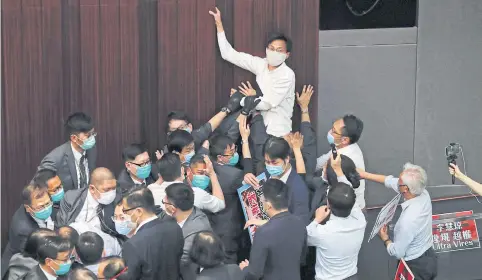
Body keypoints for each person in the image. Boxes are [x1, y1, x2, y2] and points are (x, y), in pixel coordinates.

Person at [209, 7, 296, 137]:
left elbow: (267, 103)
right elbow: (229, 54)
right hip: (258, 128)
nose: (274, 52)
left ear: (287, 54)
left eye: (279, 50)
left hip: (278, 132)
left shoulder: (287, 75)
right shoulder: (261, 64)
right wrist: (219, 25)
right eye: (271, 48)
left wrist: (240, 99)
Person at [359, 163, 437, 280]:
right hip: (429, 257)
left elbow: (397, 252)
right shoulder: (423, 193)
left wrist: (386, 239)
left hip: (414, 267)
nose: (397, 181)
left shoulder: (407, 221)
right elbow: (389, 181)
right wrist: (364, 175)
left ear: (405, 189)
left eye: (399, 181)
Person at [241, 179, 307, 280]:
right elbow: (302, 259)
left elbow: (254, 274)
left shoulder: (263, 232)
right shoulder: (300, 224)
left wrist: (245, 269)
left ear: (268, 205)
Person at [120, 186, 184, 280]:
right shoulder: (174, 228)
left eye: (125, 211)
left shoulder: (132, 244)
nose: (124, 215)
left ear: (138, 211)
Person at [307, 182, 366, 280]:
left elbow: (306, 237)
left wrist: (317, 219)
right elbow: (353, 202)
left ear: (328, 204)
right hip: (351, 275)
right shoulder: (360, 221)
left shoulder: (323, 232)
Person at [56, 168, 122, 250]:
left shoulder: (118, 200)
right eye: (107, 189)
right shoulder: (71, 198)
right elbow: (61, 227)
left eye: (114, 188)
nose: (112, 193)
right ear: (92, 189)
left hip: (104, 248)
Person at [1, 184, 54, 278]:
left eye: (48, 203)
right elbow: (37, 256)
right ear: (28, 208)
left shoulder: (41, 208)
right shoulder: (23, 229)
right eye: (41, 207)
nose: (47, 208)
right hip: (25, 265)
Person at [208, 134, 246, 263]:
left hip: (211, 226)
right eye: (231, 153)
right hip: (229, 230)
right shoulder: (235, 175)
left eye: (235, 149)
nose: (235, 154)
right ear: (220, 157)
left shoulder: (205, 167)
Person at [35, 112, 97, 191]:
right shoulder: (54, 159)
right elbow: (37, 189)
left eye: (93, 134)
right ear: (74, 138)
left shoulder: (92, 149)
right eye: (88, 135)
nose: (92, 138)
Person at [163, 183, 213, 280]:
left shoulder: (199, 229)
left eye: (164, 203)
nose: (163, 206)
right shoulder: (176, 214)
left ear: (172, 208)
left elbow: (180, 260)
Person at [315, 115, 366, 209]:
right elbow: (321, 161)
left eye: (334, 131)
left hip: (349, 211)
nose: (330, 132)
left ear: (345, 140)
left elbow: (330, 181)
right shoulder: (342, 146)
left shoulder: (345, 159)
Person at [148, 153, 225, 213]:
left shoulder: (150, 191)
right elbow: (220, 205)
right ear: (182, 170)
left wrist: (163, 167)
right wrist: (212, 173)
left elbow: (155, 184)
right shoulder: (195, 193)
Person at [165, 91, 243, 150]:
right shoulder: (168, 152)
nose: (180, 133)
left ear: (190, 127)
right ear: (168, 134)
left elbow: (209, 126)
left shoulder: (195, 136)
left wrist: (230, 107)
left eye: (181, 127)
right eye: (175, 130)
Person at [263, 137, 311, 224]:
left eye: (274, 163)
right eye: (267, 162)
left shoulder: (298, 188)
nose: (270, 166)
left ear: (287, 159)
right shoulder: (265, 173)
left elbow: (300, 223)